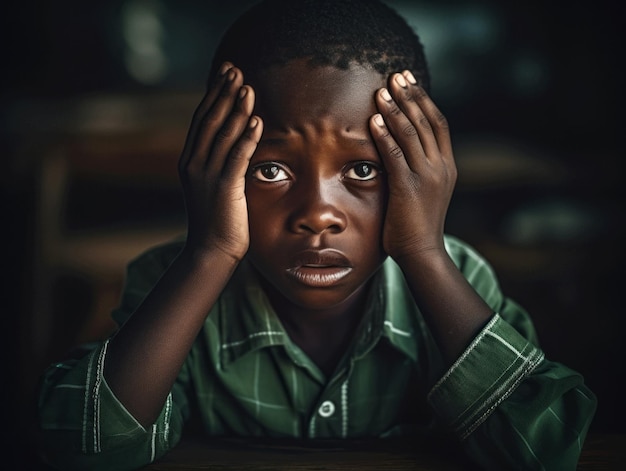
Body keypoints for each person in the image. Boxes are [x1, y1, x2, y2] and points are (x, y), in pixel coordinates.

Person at [36, 0, 597, 469]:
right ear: (212, 172)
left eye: (363, 170)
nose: (318, 215)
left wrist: (424, 251)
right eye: (271, 170)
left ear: (424, 175)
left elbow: (546, 451)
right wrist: (209, 252)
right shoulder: (171, 282)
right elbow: (81, 450)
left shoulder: (460, 278)